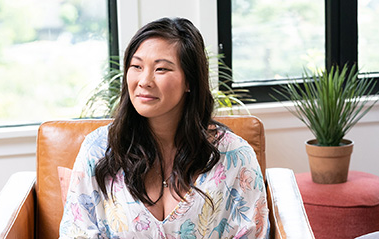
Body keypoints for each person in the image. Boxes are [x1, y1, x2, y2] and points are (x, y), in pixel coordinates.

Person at [59, 17, 269, 238]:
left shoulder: (235, 157)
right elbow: (77, 232)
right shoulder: (99, 149)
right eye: (136, 66)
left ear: (190, 81)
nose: (144, 81)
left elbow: (252, 233)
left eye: (160, 69)